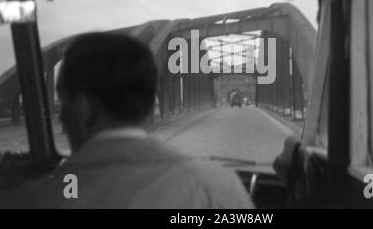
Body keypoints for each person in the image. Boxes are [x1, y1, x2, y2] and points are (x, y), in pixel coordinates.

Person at [13, 32, 253, 209]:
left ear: (82, 107)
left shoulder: (37, 198)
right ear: (149, 102)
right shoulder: (216, 187)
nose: (61, 116)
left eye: (63, 103)